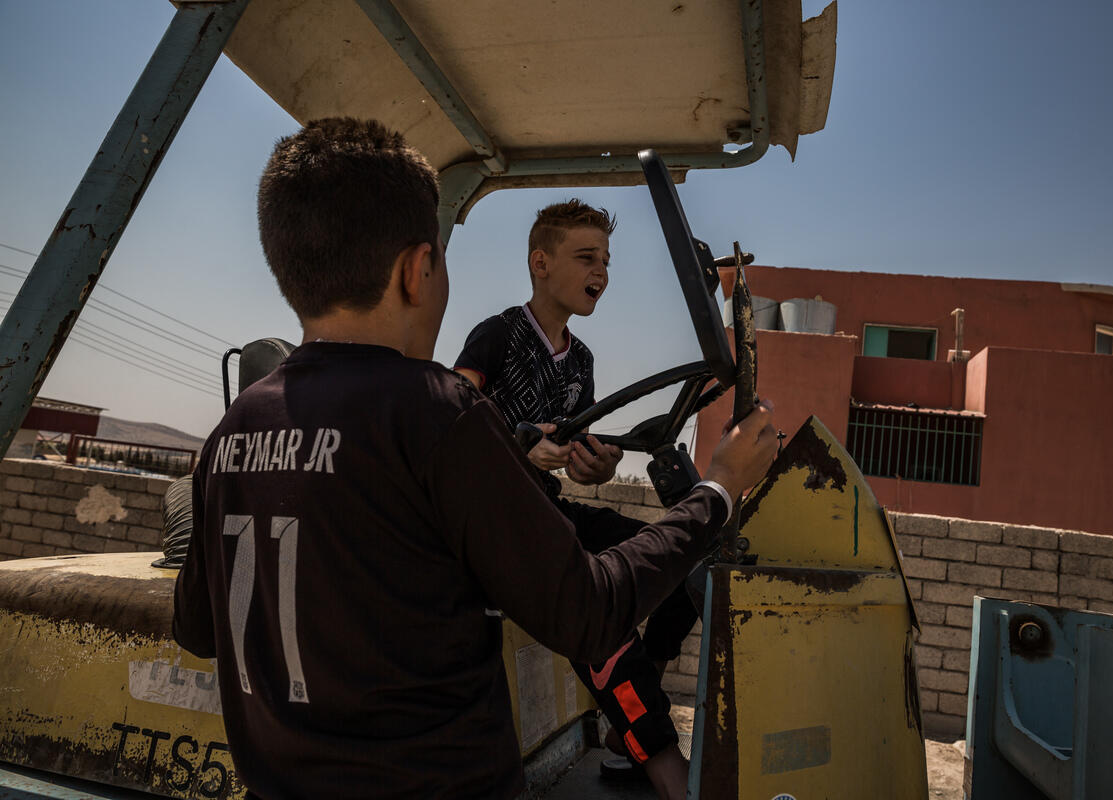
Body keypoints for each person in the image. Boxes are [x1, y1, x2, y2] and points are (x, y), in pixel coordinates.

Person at [171, 117, 778, 800]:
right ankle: (659, 756)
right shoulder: (442, 408)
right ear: (417, 270)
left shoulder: (231, 432)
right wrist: (720, 486)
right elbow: (584, 609)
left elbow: (198, 628)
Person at [453, 200, 701, 796]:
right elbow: (450, 432)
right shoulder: (495, 336)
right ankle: (663, 762)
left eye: (607, 261)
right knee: (592, 608)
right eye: (587, 257)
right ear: (541, 262)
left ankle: (634, 718)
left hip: (546, 511)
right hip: (492, 525)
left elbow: (570, 456)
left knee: (685, 556)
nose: (602, 272)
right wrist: (516, 452)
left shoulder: (581, 360)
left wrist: (595, 467)